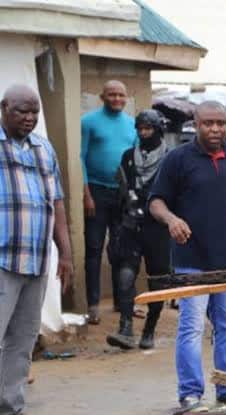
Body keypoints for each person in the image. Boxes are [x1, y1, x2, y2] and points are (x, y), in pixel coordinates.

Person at [149, 101, 226, 411]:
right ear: (196, 123)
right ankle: (190, 393)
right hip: (193, 260)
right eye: (208, 123)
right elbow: (156, 202)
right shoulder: (178, 159)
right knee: (191, 328)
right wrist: (172, 220)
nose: (215, 129)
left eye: (220, 123)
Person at [0, 85, 74, 414]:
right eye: (21, 111)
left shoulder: (43, 149)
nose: (29, 118)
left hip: (36, 261)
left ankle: (10, 405)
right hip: (2, 260)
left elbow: (56, 203)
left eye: (34, 113)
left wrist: (67, 254)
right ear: (3, 108)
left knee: (22, 340)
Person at [105, 110, 171, 351]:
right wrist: (117, 228)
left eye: (149, 129)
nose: (144, 133)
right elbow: (119, 194)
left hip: (158, 228)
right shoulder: (128, 157)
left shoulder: (170, 158)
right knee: (125, 277)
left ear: (158, 129)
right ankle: (125, 328)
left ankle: (149, 329)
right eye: (140, 129)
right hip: (132, 224)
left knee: (158, 280)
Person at [81, 80, 137, 324]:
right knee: (94, 249)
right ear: (102, 97)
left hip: (122, 194)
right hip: (96, 191)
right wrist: (86, 194)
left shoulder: (132, 124)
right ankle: (93, 305)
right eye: (112, 95)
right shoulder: (89, 122)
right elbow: (81, 157)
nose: (116, 99)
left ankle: (121, 302)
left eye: (121, 95)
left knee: (120, 249)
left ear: (126, 98)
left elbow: (133, 162)